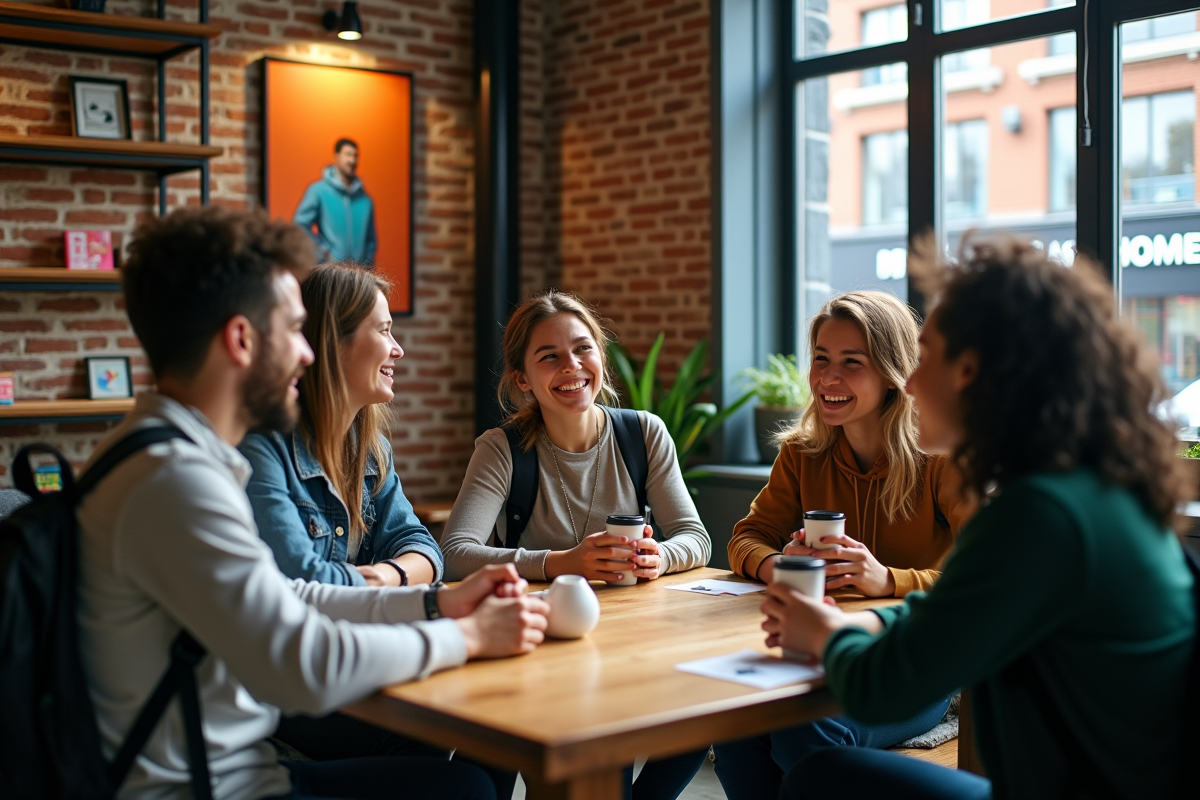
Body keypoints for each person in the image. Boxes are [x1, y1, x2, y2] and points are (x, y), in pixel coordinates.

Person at [76, 206, 549, 800]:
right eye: (296, 331)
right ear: (243, 340)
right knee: (464, 789)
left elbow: (289, 595)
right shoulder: (174, 480)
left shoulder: (173, 454)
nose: (307, 355)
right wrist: (468, 637)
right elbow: (299, 663)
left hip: (237, 768)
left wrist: (440, 601)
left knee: (460, 770)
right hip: (208, 788)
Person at [765, 235, 1195, 800]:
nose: (910, 383)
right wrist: (865, 622)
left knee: (821, 776)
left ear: (970, 372)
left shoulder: (1039, 515)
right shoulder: (1088, 490)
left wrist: (824, 636)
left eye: (926, 357)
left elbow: (882, 688)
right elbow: (955, 609)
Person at [439, 289, 711, 800]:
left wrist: (659, 557)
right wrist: (562, 563)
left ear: (600, 358)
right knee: (493, 776)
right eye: (550, 357)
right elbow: (455, 553)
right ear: (523, 379)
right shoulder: (501, 450)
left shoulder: (644, 434)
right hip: (535, 649)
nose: (572, 366)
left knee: (703, 708)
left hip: (630, 645)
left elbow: (695, 538)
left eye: (583, 349)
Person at [714, 291, 972, 800]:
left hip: (914, 660)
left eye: (851, 363)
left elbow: (978, 588)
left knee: (805, 730)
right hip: (814, 649)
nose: (828, 379)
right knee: (736, 726)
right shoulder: (802, 452)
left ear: (893, 373)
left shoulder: (937, 456)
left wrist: (888, 579)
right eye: (820, 360)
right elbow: (745, 538)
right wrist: (779, 565)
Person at [239, 263, 441, 588]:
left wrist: (381, 577)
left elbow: (423, 547)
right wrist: (391, 581)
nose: (398, 350)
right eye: (383, 330)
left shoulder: (372, 450)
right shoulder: (262, 448)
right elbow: (302, 578)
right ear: (334, 342)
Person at [294, 138, 378, 265]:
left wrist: (367, 266)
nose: (352, 160)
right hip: (331, 274)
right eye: (348, 155)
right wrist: (322, 253)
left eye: (356, 156)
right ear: (337, 156)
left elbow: (370, 241)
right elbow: (300, 225)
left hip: (358, 278)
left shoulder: (366, 201)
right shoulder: (318, 191)